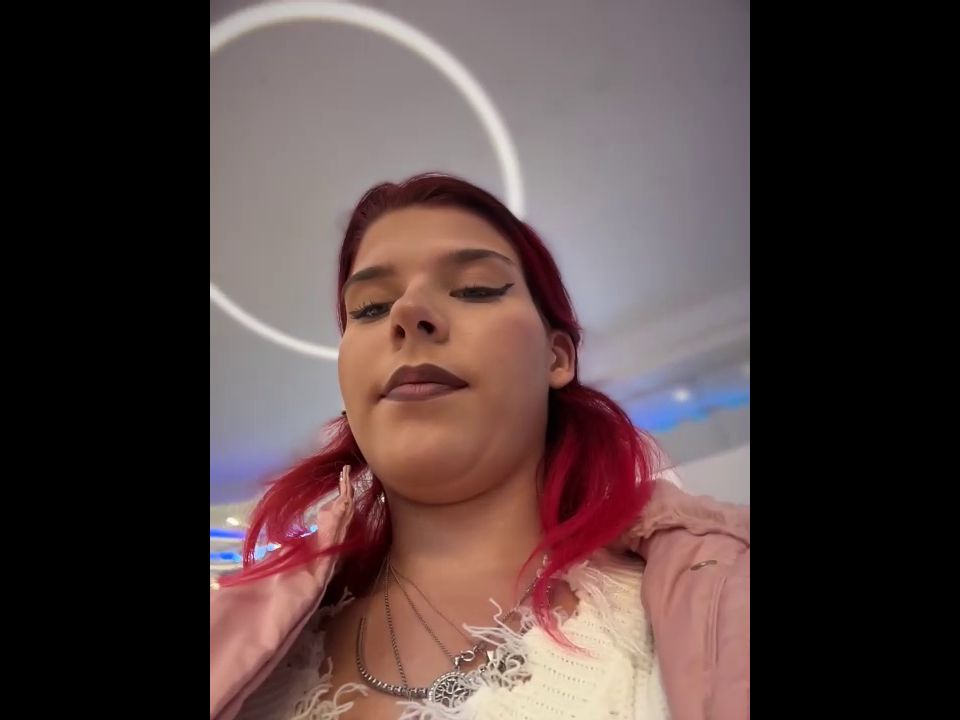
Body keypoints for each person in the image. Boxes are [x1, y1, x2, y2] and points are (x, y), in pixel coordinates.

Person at [210, 174, 749, 720]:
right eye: (370, 307)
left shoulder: (717, 597)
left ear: (557, 358)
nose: (407, 312)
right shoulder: (241, 651)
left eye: (475, 289)